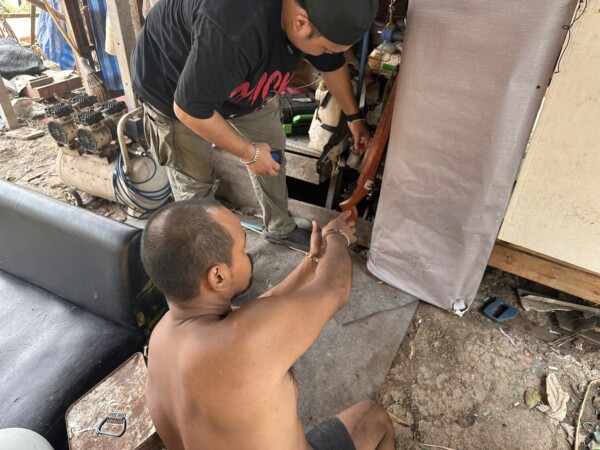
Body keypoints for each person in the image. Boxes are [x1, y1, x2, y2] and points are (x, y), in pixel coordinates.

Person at [141, 199, 395, 450]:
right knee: (374, 416)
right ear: (218, 276)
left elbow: (253, 316)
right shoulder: (243, 342)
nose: (248, 253)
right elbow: (335, 288)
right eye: (243, 249)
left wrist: (312, 263)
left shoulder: (161, 339)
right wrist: (337, 236)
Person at [131, 0, 377, 252]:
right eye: (325, 48)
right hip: (172, 86)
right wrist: (250, 153)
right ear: (301, 23)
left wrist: (354, 117)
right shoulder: (233, 27)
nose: (326, 53)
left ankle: (280, 227)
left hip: (241, 83)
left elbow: (332, 64)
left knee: (273, 153)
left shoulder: (317, 14)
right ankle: (208, 259)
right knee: (196, 182)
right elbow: (189, 109)